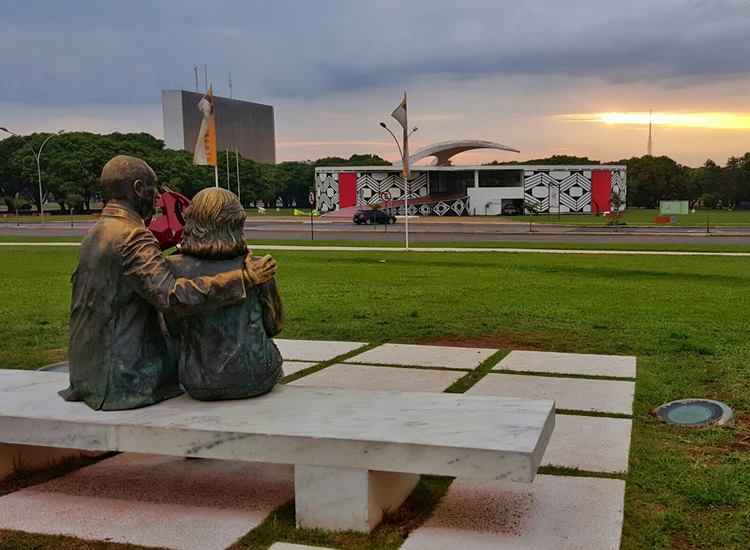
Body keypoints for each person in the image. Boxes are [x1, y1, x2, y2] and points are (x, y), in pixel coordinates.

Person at [59, 155, 277, 411]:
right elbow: (172, 298)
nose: (158, 198)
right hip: (122, 379)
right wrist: (244, 278)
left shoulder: (97, 231)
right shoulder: (133, 237)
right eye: (155, 188)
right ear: (139, 189)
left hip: (87, 372)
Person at [164, 187, 283, 401]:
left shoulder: (172, 269)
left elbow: (172, 329)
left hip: (197, 380)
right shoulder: (257, 268)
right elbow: (274, 325)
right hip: (256, 376)